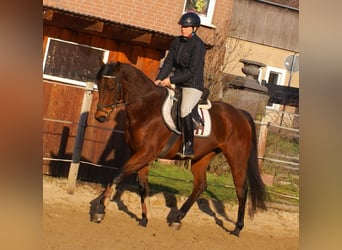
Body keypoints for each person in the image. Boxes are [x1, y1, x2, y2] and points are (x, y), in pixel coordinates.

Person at [154, 12, 206, 159]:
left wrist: (171, 80)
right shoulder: (176, 41)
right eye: (182, 26)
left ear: (194, 28)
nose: (183, 29)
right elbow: (169, 62)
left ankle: (188, 146)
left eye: (186, 26)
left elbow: (191, 71)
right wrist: (159, 79)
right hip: (177, 82)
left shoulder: (199, 45)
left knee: (184, 110)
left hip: (192, 85)